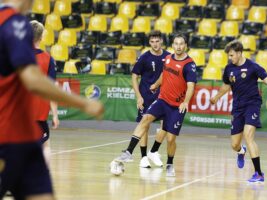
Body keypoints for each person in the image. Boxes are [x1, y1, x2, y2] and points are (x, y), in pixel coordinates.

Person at [0, 1, 104, 199]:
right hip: (8, 135)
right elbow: (34, 81)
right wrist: (84, 103)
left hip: (25, 137)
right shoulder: (14, 23)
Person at [210, 40, 267, 183]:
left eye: (232, 55)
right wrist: (216, 97)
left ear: (239, 53)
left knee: (248, 135)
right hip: (237, 107)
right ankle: (241, 151)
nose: (230, 58)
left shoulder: (253, 67)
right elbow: (226, 86)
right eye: (229, 55)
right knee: (234, 144)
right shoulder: (229, 68)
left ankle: (258, 173)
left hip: (252, 104)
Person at [113, 33, 197, 176]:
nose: (178, 46)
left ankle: (170, 163)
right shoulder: (168, 58)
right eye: (176, 44)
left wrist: (185, 102)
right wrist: (156, 84)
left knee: (170, 139)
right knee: (145, 119)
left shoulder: (189, 65)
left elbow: (191, 86)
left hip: (177, 106)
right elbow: (164, 74)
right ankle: (128, 152)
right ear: (172, 45)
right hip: (162, 100)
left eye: (181, 44)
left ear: (186, 46)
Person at [131, 30, 170, 168]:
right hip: (146, 96)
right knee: (145, 126)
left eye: (157, 41)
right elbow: (134, 76)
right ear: (149, 43)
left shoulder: (168, 56)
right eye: (152, 41)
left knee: (166, 125)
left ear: (162, 41)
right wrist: (139, 96)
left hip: (164, 96)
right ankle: (143, 158)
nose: (155, 44)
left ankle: (154, 151)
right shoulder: (144, 58)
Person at [30, 20, 59, 166]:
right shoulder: (48, 59)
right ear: (41, 37)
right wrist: (55, 114)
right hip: (38, 113)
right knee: (45, 145)